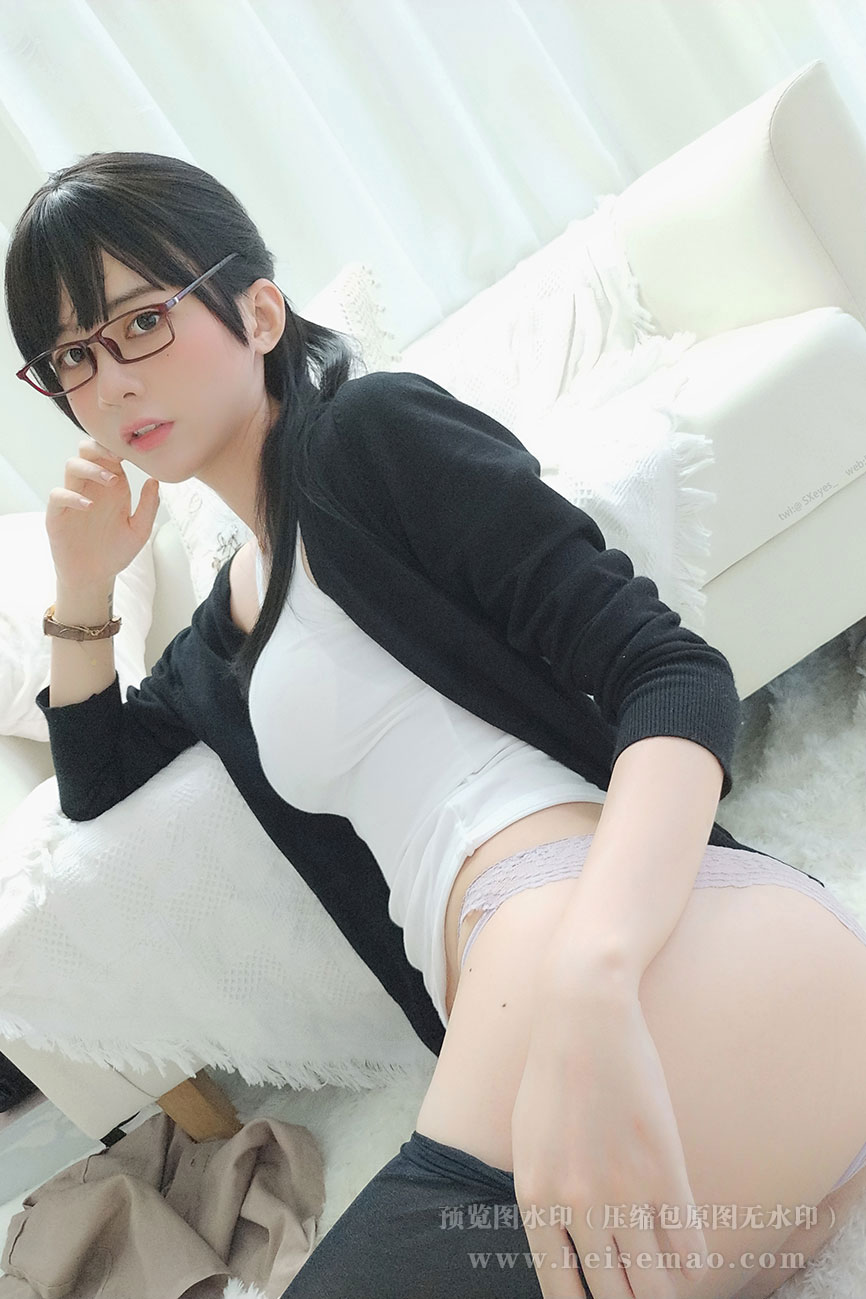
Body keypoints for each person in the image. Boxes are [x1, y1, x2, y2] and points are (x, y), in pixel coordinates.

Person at [6, 150, 866, 1299]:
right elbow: (96, 776)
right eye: (70, 356)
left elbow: (668, 672)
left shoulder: (365, 436)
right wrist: (81, 589)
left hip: (618, 949)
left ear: (257, 312)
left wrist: (592, 978)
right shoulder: (221, 637)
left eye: (142, 323)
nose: (110, 382)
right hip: (576, 1018)